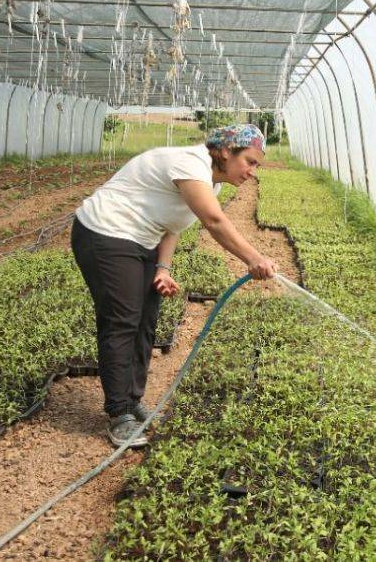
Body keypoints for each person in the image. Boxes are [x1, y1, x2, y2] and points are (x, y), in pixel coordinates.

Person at [70, 123, 278, 446]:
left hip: (141, 239)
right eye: (250, 161)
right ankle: (119, 413)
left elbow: (174, 224)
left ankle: (132, 400)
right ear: (225, 151)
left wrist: (163, 268)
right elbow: (214, 221)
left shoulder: (210, 182)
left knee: (146, 318)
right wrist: (253, 257)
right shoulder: (190, 164)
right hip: (105, 232)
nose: (252, 171)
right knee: (122, 319)